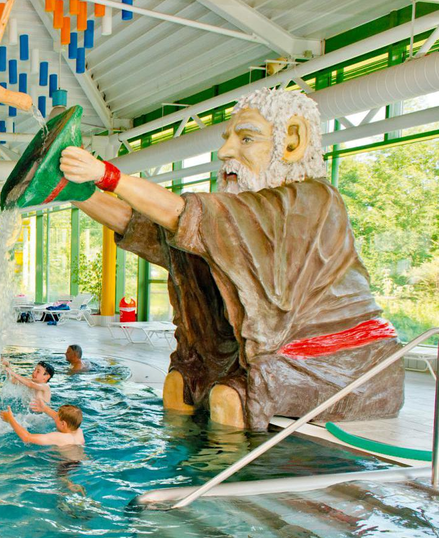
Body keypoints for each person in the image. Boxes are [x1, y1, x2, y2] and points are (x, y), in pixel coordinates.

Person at [59, 88, 404, 431]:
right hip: (237, 351)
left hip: (331, 357)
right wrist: (74, 192)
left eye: (246, 138)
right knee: (179, 385)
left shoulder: (313, 200)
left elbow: (192, 216)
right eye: (228, 139)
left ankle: (224, 478)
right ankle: (185, 471)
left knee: (228, 399)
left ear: (292, 142)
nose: (225, 152)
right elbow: (155, 231)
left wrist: (106, 175)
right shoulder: (242, 217)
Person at [0, 401, 84, 447]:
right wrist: (45, 409)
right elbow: (61, 418)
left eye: (56, 418)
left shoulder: (59, 437)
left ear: (63, 424)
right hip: (78, 462)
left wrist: (10, 419)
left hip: (65, 466)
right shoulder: (78, 431)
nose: (55, 418)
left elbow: (27, 437)